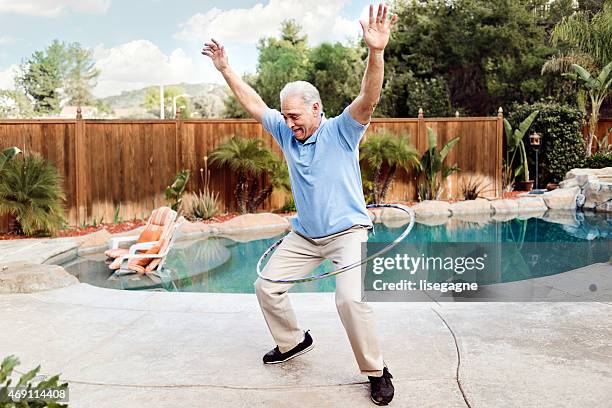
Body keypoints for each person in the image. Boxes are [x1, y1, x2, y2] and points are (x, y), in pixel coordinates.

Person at [202, 4, 397, 406]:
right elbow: (254, 103)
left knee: (349, 299)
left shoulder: (343, 131)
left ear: (316, 109)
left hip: (347, 233)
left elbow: (369, 97)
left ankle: (376, 370)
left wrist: (375, 52)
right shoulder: (286, 132)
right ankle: (292, 341)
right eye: (285, 117)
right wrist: (225, 69)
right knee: (266, 287)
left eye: (295, 116)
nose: (289, 124)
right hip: (306, 236)